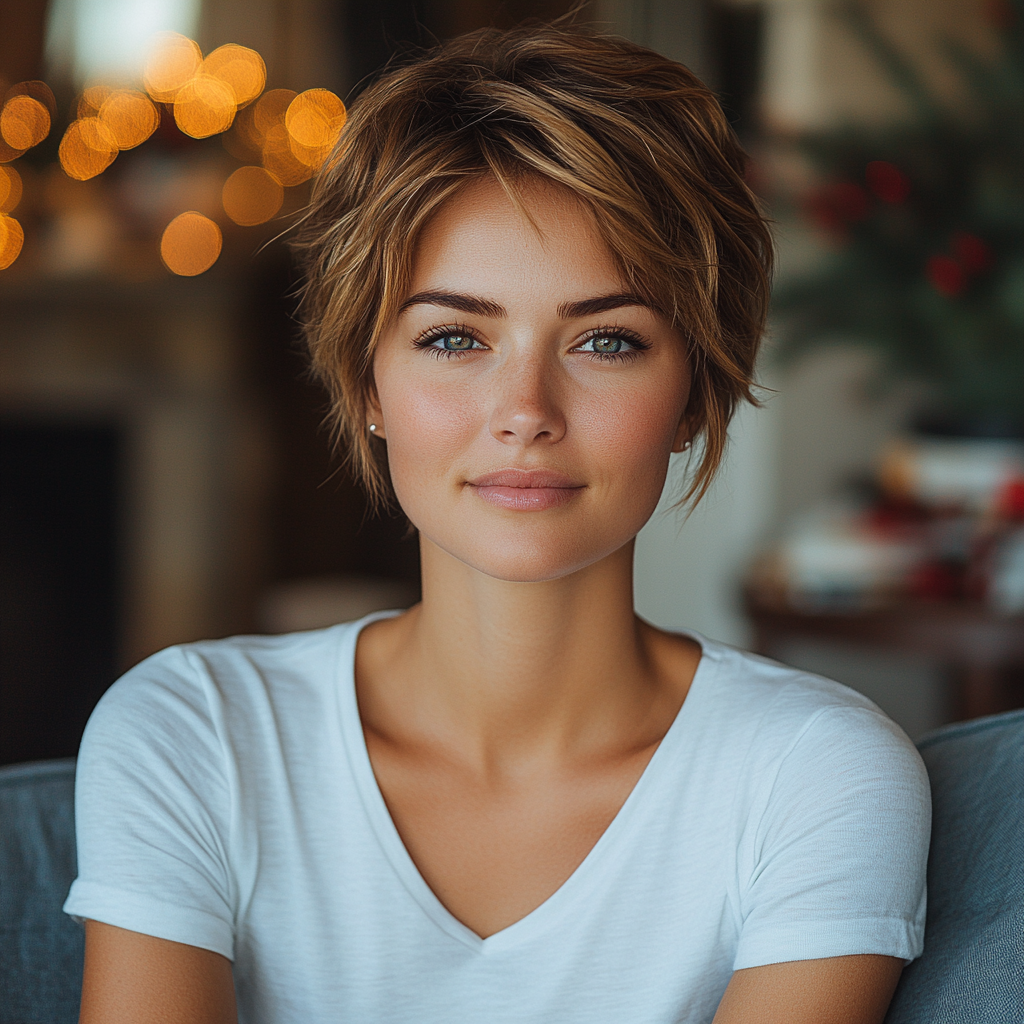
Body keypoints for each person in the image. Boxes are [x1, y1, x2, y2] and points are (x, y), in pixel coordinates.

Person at [65, 23, 930, 1024]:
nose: (525, 408)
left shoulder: (812, 776)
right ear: (367, 383)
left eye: (606, 339)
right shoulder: (195, 732)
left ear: (695, 389)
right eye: (453, 337)